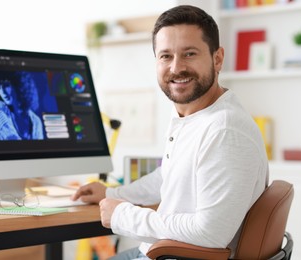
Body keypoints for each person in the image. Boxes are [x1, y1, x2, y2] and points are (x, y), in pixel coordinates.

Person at [71, 5, 269, 259]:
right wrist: (113, 194)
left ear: (217, 58)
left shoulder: (224, 130)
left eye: (189, 54)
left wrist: (123, 215)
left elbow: (210, 233)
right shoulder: (195, 116)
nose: (176, 68)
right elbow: (170, 174)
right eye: (166, 56)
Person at [0, 71, 44, 140]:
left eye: (6, 85)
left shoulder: (36, 121)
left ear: (18, 84)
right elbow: (11, 138)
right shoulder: (0, 108)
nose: (2, 92)